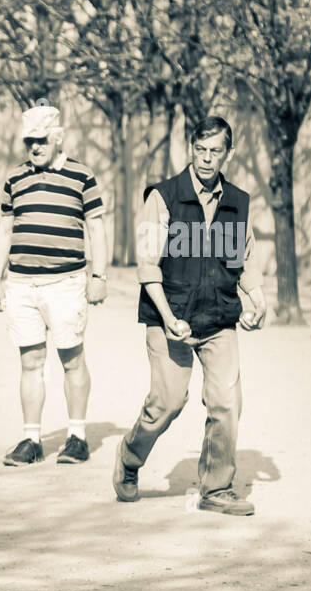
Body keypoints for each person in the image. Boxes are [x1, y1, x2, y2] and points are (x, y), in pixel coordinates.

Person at [114, 115, 266, 514]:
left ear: (228, 153)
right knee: (166, 403)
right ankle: (129, 459)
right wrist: (167, 317)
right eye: (200, 149)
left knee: (227, 402)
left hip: (218, 320)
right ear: (190, 149)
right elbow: (147, 267)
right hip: (171, 317)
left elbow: (243, 258)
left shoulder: (238, 201)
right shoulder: (163, 197)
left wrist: (258, 298)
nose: (206, 158)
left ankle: (216, 489)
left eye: (216, 151)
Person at [0, 104, 108, 466]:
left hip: (66, 282)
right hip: (23, 284)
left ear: (57, 138)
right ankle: (31, 439)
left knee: (71, 358)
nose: (34, 148)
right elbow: (4, 230)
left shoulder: (82, 176)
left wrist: (99, 276)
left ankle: (77, 436)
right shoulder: (14, 179)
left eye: (41, 141)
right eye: (29, 142)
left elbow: (97, 228)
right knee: (30, 361)